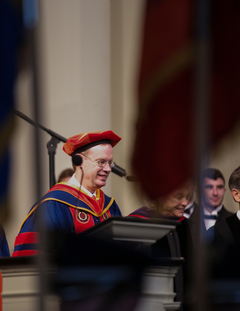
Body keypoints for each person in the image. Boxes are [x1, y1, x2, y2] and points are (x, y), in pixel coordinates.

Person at [12, 130, 122, 257]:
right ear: (79, 161)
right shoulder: (53, 205)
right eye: (101, 162)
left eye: (110, 162)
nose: (108, 169)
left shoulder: (110, 206)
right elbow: (31, 260)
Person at [128, 181, 194, 311]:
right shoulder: (136, 225)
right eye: (179, 197)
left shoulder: (190, 227)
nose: (185, 203)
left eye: (188, 197)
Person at [187, 168, 233, 244]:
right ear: (198, 192)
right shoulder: (188, 220)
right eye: (209, 187)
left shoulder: (233, 221)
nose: (215, 193)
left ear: (224, 190)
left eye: (219, 187)